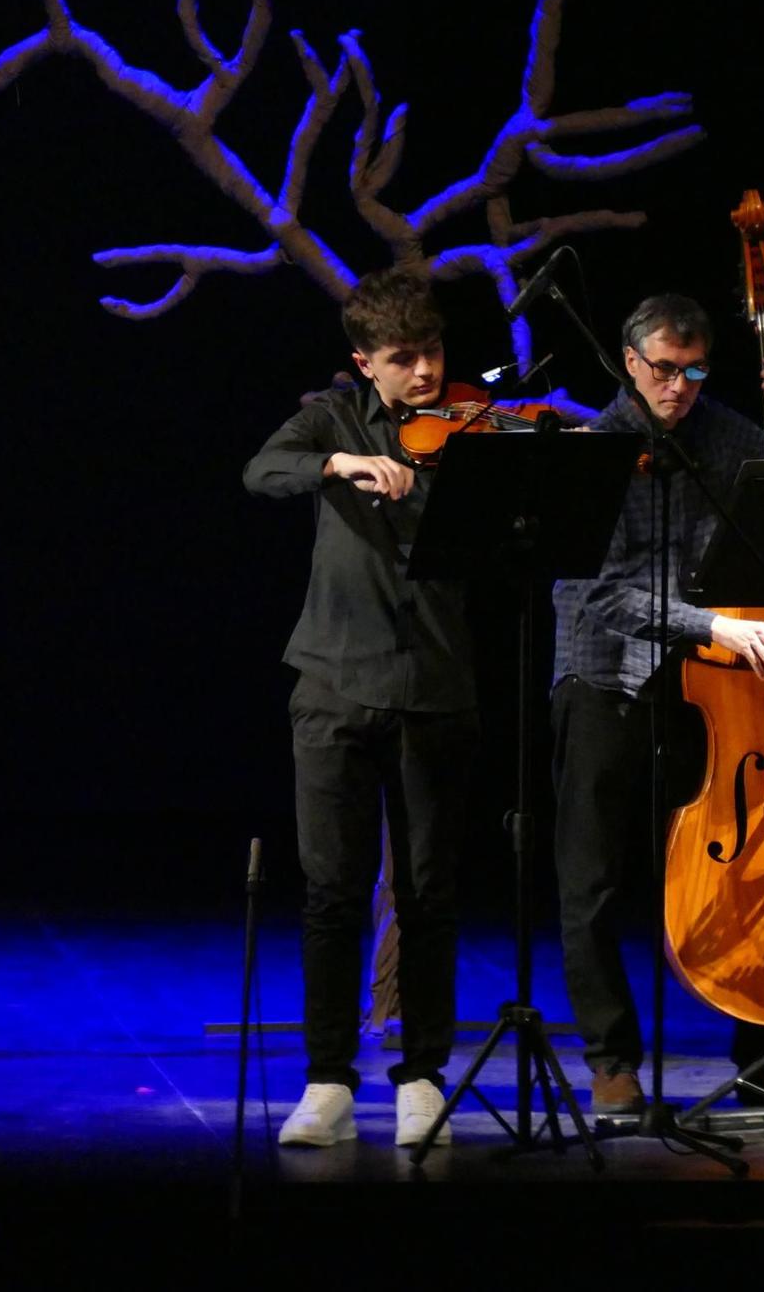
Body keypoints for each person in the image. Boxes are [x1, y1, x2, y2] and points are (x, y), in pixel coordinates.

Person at [550, 293, 764, 1115]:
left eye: (692, 369)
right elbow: (604, 593)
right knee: (594, 882)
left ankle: (763, 1049)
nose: (678, 385)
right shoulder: (597, 448)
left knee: (744, 868)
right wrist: (714, 622)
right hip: (606, 678)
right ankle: (612, 1060)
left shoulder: (726, 436)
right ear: (627, 360)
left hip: (712, 689)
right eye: (661, 368)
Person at [243, 269, 478, 1147]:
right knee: (332, 891)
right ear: (364, 363)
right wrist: (337, 462)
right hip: (334, 684)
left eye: (434, 353)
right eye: (404, 358)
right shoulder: (331, 418)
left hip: (435, 683)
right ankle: (328, 1082)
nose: (425, 373)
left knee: (429, 894)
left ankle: (421, 1075)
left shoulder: (466, 432)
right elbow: (262, 470)